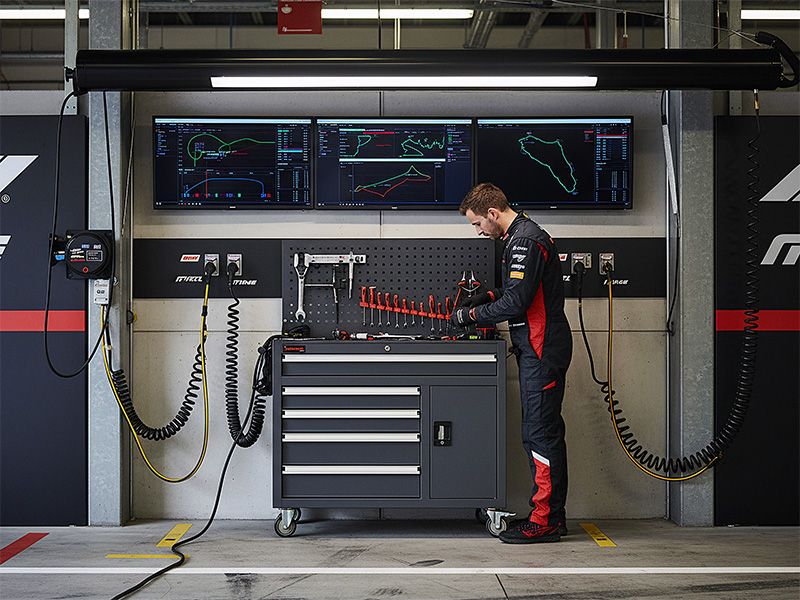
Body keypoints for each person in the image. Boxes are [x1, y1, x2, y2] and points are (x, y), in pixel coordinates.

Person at [452, 182, 572, 544]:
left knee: (540, 436)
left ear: (492, 213)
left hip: (541, 349)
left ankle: (546, 520)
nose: (477, 231)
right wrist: (493, 294)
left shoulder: (524, 240)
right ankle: (549, 514)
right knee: (539, 433)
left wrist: (469, 315)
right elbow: (520, 293)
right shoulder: (518, 238)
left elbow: (517, 304)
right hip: (536, 348)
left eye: (477, 224)